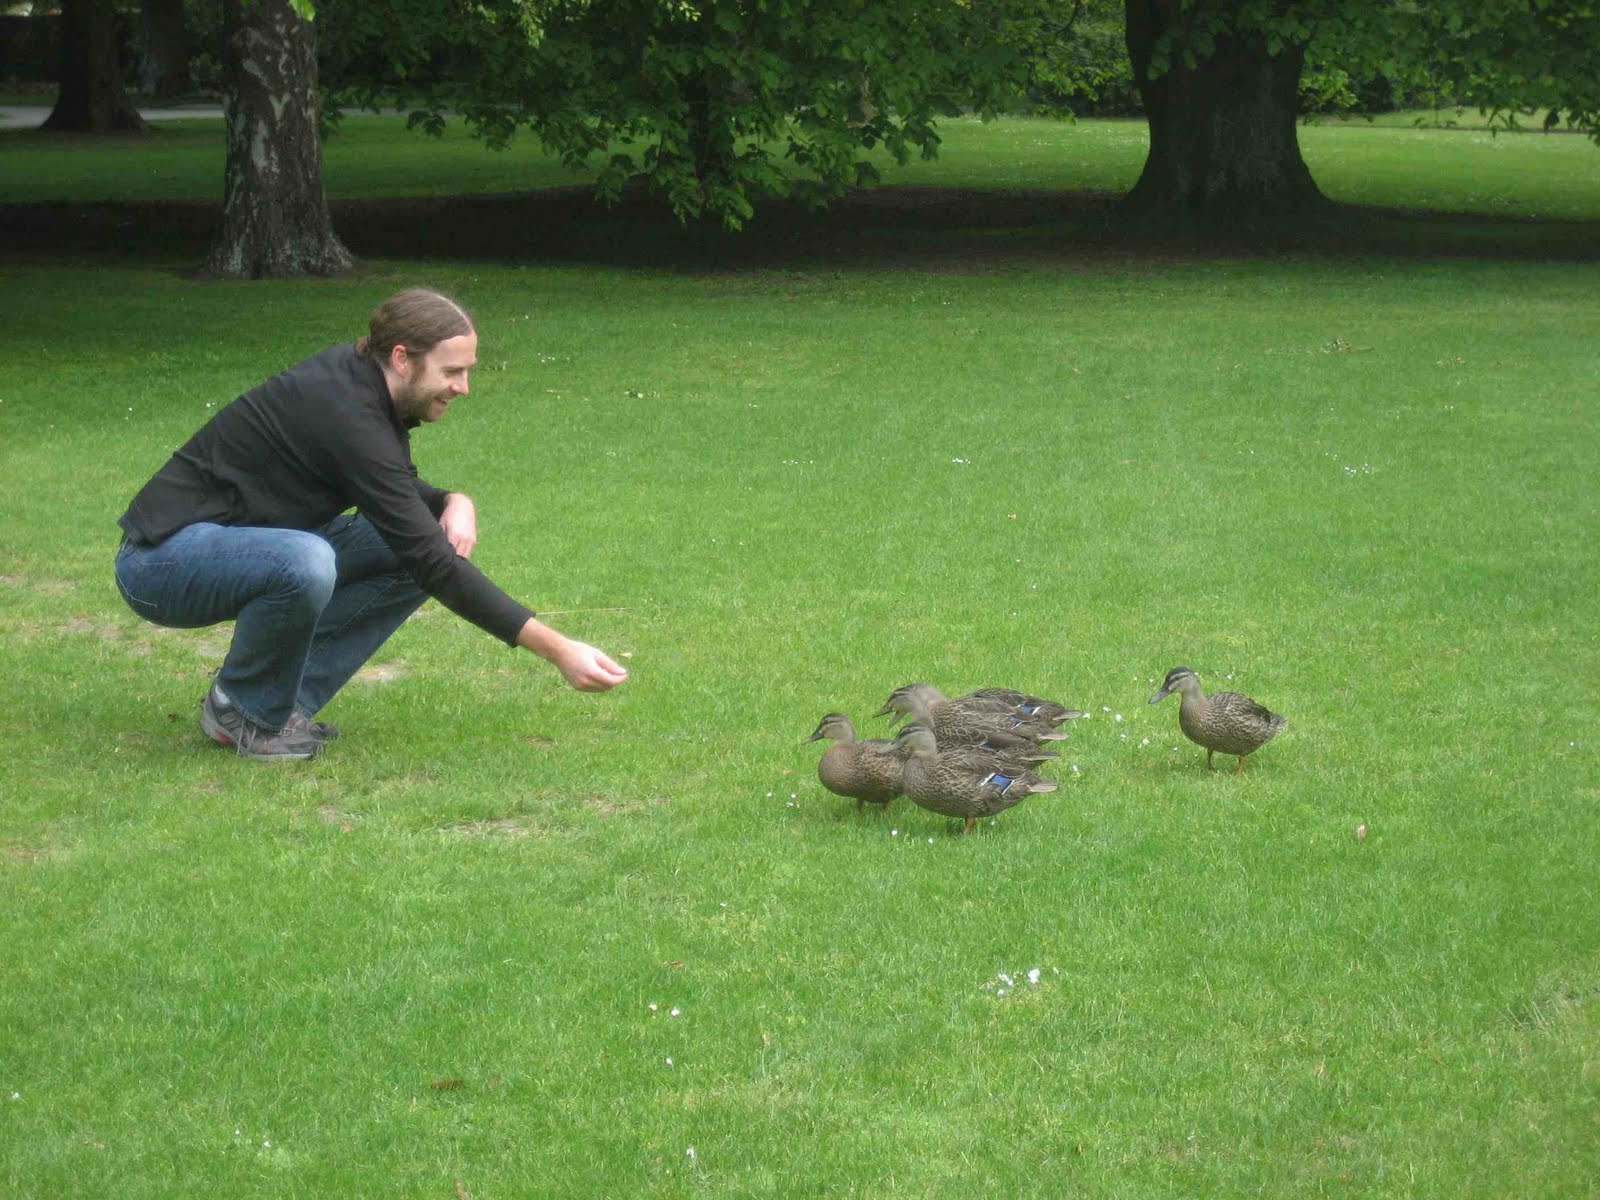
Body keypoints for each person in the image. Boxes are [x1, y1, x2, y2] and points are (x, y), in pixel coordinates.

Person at [114, 287, 627, 761]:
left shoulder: (359, 382)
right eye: (452, 370)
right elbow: (429, 557)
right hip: (162, 563)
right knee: (311, 560)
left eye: (468, 370)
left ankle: (273, 704)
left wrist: (453, 499)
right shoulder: (347, 410)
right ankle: (242, 711)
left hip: (233, 546)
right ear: (402, 358)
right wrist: (559, 650)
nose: (463, 387)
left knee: (415, 545)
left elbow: (396, 491)